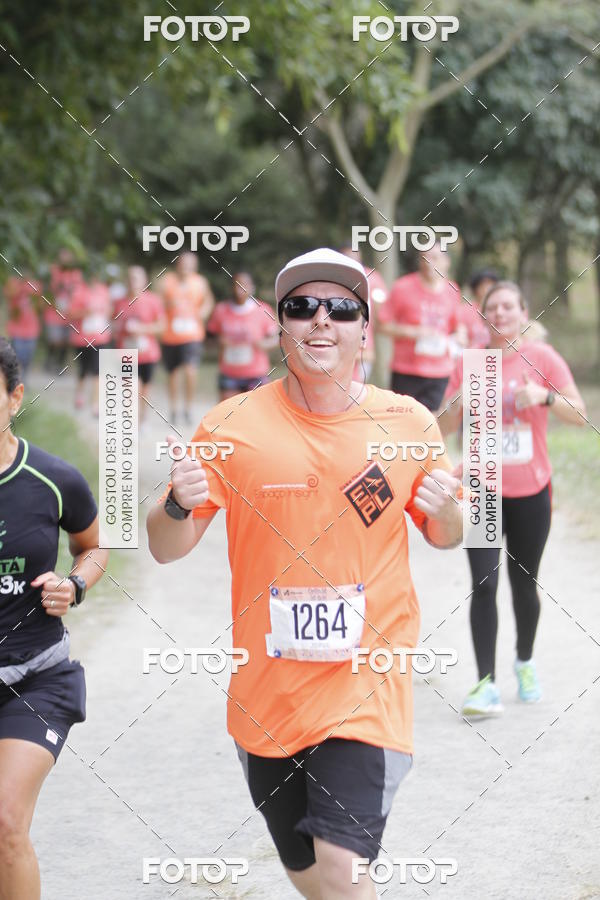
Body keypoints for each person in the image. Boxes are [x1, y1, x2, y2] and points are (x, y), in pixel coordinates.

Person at [147, 248, 462, 899]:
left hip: (366, 686)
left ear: (364, 330)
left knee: (344, 873)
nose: (321, 321)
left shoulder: (408, 422)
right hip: (267, 699)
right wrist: (174, 501)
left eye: (341, 309)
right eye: (301, 307)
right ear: (280, 325)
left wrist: (452, 511)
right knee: (315, 880)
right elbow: (166, 548)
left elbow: (446, 535)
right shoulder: (231, 426)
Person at [438, 281, 586, 716]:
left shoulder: (542, 359)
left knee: (525, 586)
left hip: (531, 491)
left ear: (524, 312)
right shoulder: (471, 363)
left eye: (508, 306)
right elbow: (442, 429)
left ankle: (524, 659)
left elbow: (579, 415)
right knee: (483, 585)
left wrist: (545, 397)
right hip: (483, 490)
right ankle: (485, 684)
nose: (499, 313)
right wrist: (459, 399)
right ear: (482, 316)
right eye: (492, 308)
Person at [0, 337, 108, 900]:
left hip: (35, 678)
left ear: (14, 398)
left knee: (4, 824)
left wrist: (75, 583)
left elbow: (94, 546)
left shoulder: (52, 478)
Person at [377, 242, 463, 411]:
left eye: (435, 257)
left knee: (430, 424)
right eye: (424, 258)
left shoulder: (452, 290)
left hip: (440, 371)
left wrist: (460, 334)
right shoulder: (403, 287)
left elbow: (455, 326)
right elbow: (382, 325)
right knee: (403, 422)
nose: (429, 262)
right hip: (407, 370)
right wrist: (412, 332)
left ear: (447, 261)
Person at [159, 252, 215, 424]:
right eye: (184, 263)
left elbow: (208, 301)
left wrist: (202, 312)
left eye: (190, 264)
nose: (186, 267)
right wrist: (169, 305)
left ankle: (188, 408)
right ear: (178, 264)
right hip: (171, 335)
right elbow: (157, 304)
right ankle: (174, 408)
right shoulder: (167, 281)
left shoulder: (200, 282)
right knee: (173, 374)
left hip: (192, 335)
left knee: (191, 370)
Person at [206, 271, 278, 401]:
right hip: (229, 373)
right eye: (237, 285)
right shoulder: (221, 310)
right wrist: (219, 342)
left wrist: (262, 344)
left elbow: (277, 338)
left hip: (256, 373)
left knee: (257, 414)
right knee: (228, 414)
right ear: (232, 287)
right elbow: (209, 338)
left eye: (245, 285)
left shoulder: (263, 309)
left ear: (252, 287)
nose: (241, 289)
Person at [119, 266, 166, 424]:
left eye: (137, 278)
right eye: (130, 278)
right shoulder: (120, 302)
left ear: (144, 281)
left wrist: (142, 329)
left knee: (144, 390)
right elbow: (111, 324)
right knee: (131, 389)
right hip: (126, 353)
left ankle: (142, 419)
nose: (133, 282)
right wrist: (120, 328)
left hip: (148, 354)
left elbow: (161, 326)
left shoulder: (153, 301)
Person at [338, 246, 388, 383]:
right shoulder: (335, 279)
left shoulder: (372, 277)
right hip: (339, 340)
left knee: (356, 384)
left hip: (364, 344)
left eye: (356, 257)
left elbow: (382, 310)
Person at [68, 275, 112, 415]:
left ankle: (95, 404)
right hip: (82, 338)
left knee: (98, 371)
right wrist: (86, 312)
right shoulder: (79, 291)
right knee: (83, 369)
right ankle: (79, 394)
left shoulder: (104, 290)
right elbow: (70, 313)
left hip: (100, 338)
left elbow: (109, 310)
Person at [45, 249, 84, 373]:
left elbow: (79, 288)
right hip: (54, 312)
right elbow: (47, 289)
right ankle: (50, 359)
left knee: (66, 340)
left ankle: (60, 364)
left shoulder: (76, 273)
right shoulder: (53, 270)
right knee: (54, 339)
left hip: (70, 313)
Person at [4, 276, 42, 381]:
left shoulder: (35, 284)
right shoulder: (13, 282)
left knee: (27, 358)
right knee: (17, 356)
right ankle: (17, 379)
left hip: (32, 329)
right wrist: (21, 286)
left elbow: (40, 304)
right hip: (17, 329)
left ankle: (23, 377)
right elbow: (8, 294)